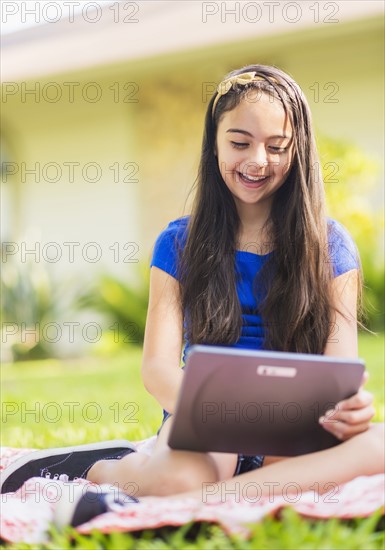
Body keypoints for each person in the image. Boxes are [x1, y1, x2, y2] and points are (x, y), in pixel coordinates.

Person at [1, 64, 383, 528]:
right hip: (208, 421)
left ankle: (203, 499)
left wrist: (349, 409)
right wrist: (232, 415)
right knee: (182, 476)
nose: (257, 160)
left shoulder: (332, 245)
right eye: (239, 143)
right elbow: (158, 369)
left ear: (298, 149)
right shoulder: (179, 243)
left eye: (277, 146)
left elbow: (338, 370)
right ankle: (99, 468)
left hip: (291, 431)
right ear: (214, 144)